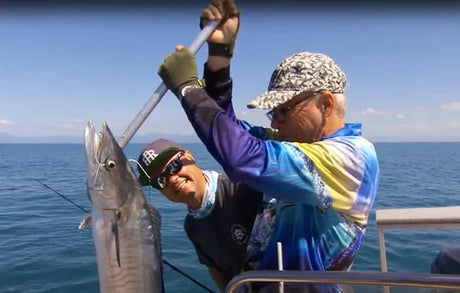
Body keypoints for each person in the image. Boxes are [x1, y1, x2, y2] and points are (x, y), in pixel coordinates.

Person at [157, 0, 380, 291]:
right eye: (272, 113)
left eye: (283, 111)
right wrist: (219, 57)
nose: (275, 123)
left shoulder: (351, 158)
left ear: (325, 103)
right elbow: (229, 128)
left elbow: (241, 157)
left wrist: (188, 88)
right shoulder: (296, 143)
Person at [136, 138, 262, 292]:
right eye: (160, 181)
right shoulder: (192, 226)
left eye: (174, 166)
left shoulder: (242, 189)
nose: (173, 179)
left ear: (189, 157)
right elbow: (215, 268)